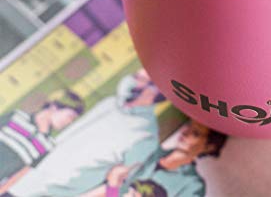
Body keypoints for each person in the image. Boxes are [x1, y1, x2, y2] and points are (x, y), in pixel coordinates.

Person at [9, 69, 166, 197]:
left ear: (156, 91)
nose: (132, 80)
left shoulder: (146, 135)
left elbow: (117, 183)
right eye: (135, 75)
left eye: (141, 79)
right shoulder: (109, 103)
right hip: (24, 181)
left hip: (52, 193)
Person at [91, 120, 227, 197]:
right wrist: (113, 186)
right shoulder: (150, 152)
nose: (185, 132)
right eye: (188, 126)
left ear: (209, 147)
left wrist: (113, 186)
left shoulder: (192, 184)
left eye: (195, 133)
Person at [0, 90, 84, 193]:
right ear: (54, 107)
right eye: (70, 116)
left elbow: (21, 173)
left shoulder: (48, 145)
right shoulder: (17, 116)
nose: (69, 122)